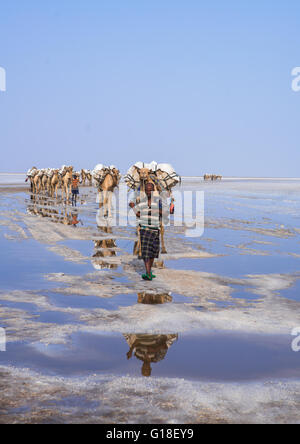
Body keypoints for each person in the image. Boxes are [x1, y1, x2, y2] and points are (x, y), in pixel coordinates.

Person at [130, 182, 169, 281]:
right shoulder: (142, 202)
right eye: (146, 190)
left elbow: (166, 213)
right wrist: (133, 207)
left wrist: (157, 211)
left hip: (155, 230)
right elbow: (138, 214)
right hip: (144, 229)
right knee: (145, 253)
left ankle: (149, 271)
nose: (148, 192)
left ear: (153, 190)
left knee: (153, 253)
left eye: (150, 190)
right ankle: (147, 273)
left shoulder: (158, 202)